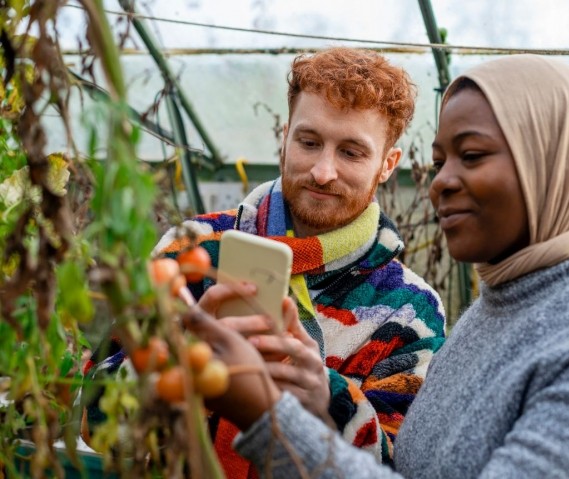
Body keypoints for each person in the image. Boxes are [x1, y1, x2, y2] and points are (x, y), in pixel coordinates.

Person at [185, 54, 569, 478]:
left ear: (554, 162)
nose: (440, 182)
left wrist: (273, 416)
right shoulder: (508, 301)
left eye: (472, 155)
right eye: (439, 161)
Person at [82, 47, 446, 478]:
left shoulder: (409, 310)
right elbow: (96, 425)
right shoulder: (194, 251)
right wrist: (179, 355)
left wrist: (326, 400)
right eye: (309, 143)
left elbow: (400, 467)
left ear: (388, 164)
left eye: (351, 153)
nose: (323, 171)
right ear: (285, 136)